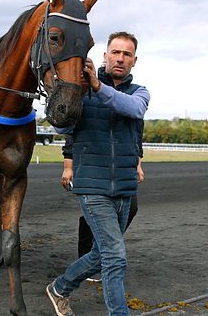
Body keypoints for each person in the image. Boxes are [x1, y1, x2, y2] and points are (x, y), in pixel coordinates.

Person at [47, 31, 150, 316]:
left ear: (134, 61)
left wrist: (97, 87)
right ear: (105, 56)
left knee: (99, 254)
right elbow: (62, 128)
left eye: (126, 54)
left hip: (125, 189)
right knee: (115, 257)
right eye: (115, 52)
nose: (120, 58)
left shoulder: (139, 93)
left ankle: (59, 288)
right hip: (93, 188)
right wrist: (69, 91)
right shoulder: (83, 88)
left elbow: (132, 110)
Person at [61, 134, 143, 283]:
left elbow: (136, 134)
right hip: (94, 160)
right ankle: (88, 259)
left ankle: (101, 253)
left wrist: (138, 164)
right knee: (94, 213)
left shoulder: (133, 111)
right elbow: (73, 132)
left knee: (132, 207)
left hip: (122, 164)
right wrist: (68, 167)